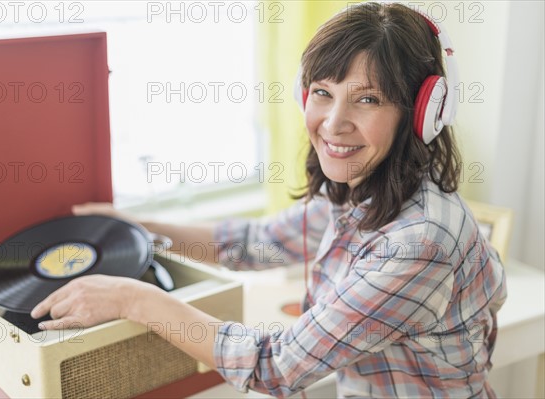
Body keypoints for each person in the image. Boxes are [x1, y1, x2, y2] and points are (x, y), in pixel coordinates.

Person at [31, 2, 507, 398]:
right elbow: (260, 242)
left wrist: (132, 298)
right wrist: (128, 224)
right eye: (322, 93)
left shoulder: (419, 242)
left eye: (368, 100)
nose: (333, 122)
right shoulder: (367, 186)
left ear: (423, 112)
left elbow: (275, 366)